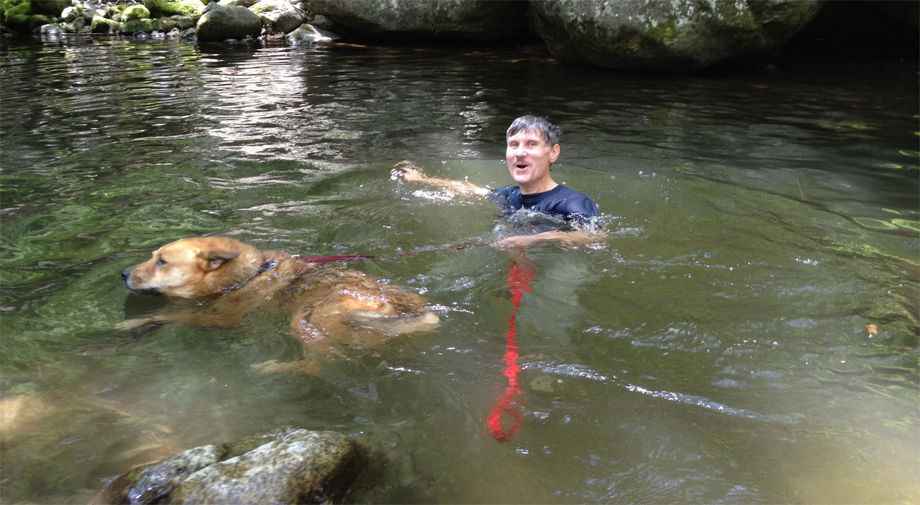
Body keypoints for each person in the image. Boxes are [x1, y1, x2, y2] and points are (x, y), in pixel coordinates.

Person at [395, 115, 604, 249]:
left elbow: (597, 238)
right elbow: (470, 190)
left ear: (553, 153)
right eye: (513, 145)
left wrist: (535, 239)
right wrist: (424, 179)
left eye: (531, 144)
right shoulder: (510, 196)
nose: (520, 153)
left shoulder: (571, 202)